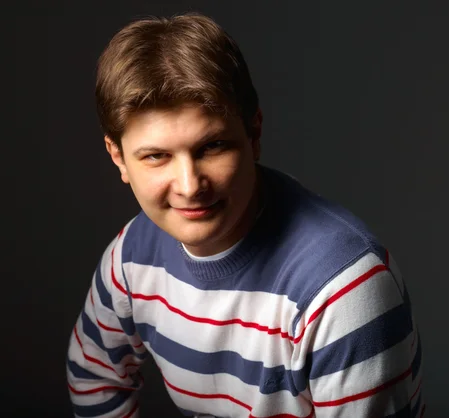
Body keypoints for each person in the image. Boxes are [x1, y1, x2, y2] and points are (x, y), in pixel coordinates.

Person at [66, 12, 425, 418]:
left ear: (253, 134)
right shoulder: (131, 256)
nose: (189, 185)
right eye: (156, 157)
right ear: (119, 158)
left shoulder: (343, 289)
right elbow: (93, 374)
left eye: (212, 146)